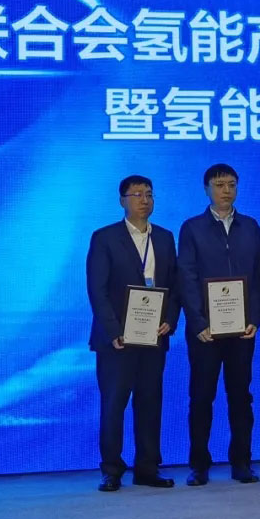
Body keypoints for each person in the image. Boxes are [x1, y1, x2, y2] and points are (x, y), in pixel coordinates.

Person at [86, 175, 180, 492]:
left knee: (150, 403)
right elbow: (97, 289)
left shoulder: (165, 237)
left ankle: (147, 468)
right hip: (117, 340)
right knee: (114, 405)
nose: (144, 200)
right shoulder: (104, 237)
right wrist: (113, 330)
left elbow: (175, 285)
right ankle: (111, 469)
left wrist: (170, 320)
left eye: (149, 194)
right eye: (137, 194)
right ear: (122, 200)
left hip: (154, 336)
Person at [178, 164, 260, 485]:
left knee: (241, 397)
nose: (226, 190)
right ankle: (199, 465)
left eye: (231, 184)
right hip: (205, 332)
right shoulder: (192, 228)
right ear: (207, 189)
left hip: (243, 330)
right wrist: (198, 321)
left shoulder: (251, 226)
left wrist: (255, 317)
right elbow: (186, 276)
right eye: (219, 185)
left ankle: (242, 462)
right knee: (202, 397)